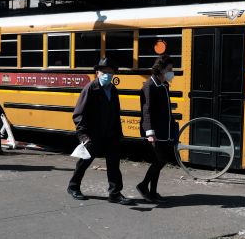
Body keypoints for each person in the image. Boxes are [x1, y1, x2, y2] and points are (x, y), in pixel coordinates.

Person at [67, 57, 134, 205]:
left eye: (110, 73)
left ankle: (115, 193)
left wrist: (119, 133)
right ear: (97, 73)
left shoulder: (113, 89)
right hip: (93, 134)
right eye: (104, 72)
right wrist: (83, 135)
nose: (107, 75)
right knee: (84, 162)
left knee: (114, 164)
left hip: (111, 134)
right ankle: (73, 187)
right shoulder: (90, 88)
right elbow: (79, 114)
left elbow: (116, 113)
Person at [136, 55, 175, 203]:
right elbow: (147, 110)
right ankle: (143, 186)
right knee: (160, 160)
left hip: (163, 130)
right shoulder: (149, 86)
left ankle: (152, 192)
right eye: (169, 69)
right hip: (152, 131)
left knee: (159, 160)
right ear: (160, 70)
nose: (172, 72)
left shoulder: (163, 85)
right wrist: (150, 133)